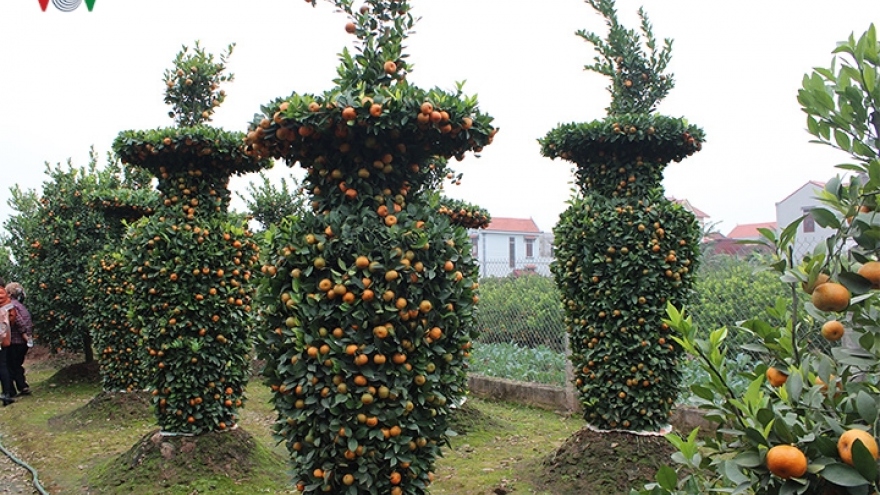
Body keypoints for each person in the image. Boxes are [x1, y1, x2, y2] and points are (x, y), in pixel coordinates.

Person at [5, 282, 32, 397]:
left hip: (17, 340)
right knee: (16, 364)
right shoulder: (20, 305)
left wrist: (23, 334)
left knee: (12, 365)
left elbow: (18, 321)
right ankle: (21, 386)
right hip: (24, 341)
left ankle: (20, 387)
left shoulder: (11, 305)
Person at [0, 284, 16, 406]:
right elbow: (12, 315)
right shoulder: (6, 298)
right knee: (3, 365)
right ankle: (7, 393)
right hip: (4, 336)